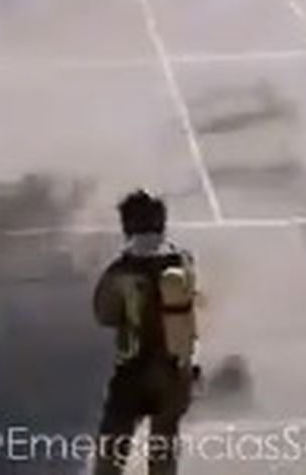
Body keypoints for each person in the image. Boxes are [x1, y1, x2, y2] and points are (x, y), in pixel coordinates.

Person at [91, 189, 200, 475]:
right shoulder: (182, 260)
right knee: (163, 450)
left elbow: (104, 315)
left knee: (111, 452)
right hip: (173, 372)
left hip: (132, 371)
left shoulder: (120, 271)